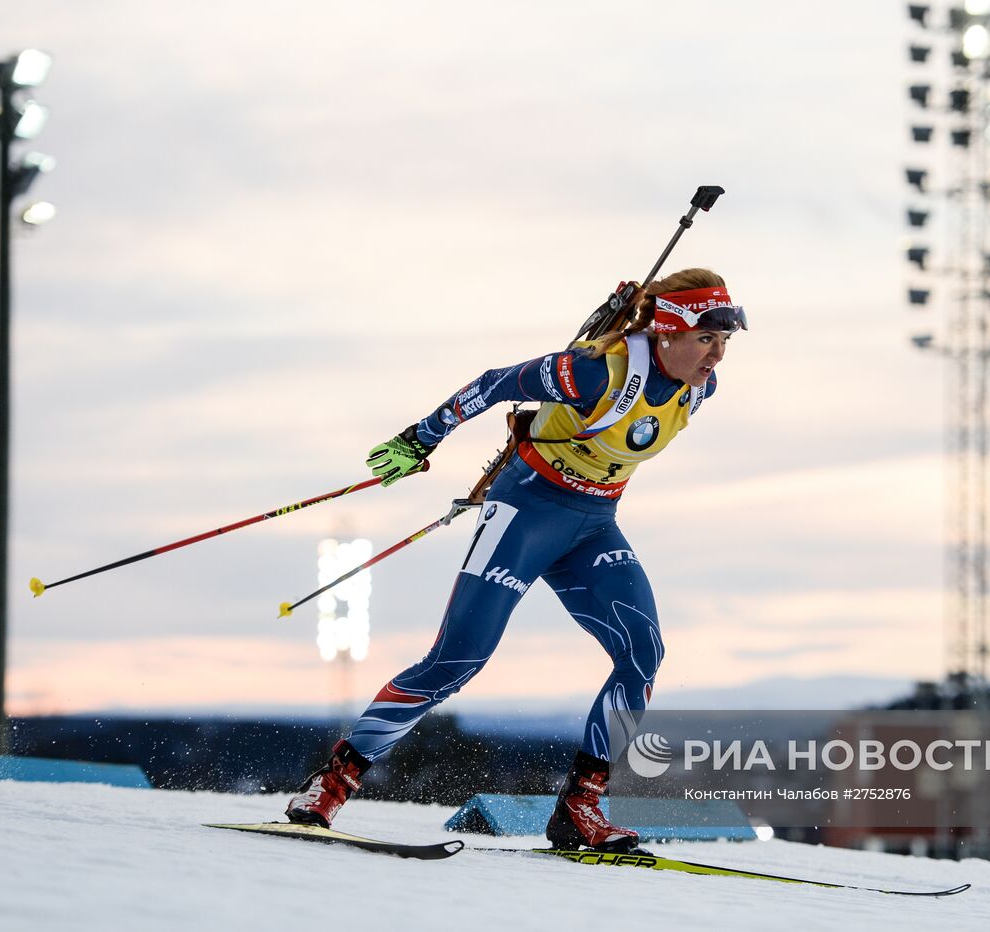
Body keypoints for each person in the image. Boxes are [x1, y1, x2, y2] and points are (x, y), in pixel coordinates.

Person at [285, 268, 747, 851]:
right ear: (666, 331)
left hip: (593, 526)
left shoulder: (700, 389)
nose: (718, 355)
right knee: (457, 660)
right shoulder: (598, 371)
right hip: (526, 512)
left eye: (726, 341)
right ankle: (332, 783)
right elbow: (495, 383)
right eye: (707, 338)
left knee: (643, 652)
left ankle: (581, 808)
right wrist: (420, 439)